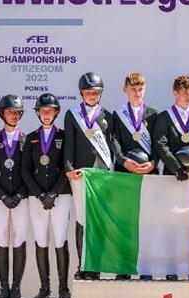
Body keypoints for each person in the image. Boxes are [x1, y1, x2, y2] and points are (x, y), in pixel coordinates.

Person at [153, 75, 189, 281]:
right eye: (185, 93)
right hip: (173, 178)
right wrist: (176, 167)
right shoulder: (164, 117)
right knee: (173, 225)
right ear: (175, 93)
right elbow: (161, 144)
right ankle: (171, 268)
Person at [22, 93, 72, 298]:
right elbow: (25, 169)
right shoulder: (31, 138)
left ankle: (63, 288)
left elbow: (66, 166)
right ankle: (45, 288)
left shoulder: (63, 136)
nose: (46, 114)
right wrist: (40, 194)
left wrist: (54, 192)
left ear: (56, 112)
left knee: (60, 240)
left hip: (60, 195)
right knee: (41, 240)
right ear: (38, 113)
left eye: (50, 111)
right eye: (42, 111)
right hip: (37, 197)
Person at [109, 73, 159, 280]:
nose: (137, 93)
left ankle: (146, 267)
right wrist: (124, 162)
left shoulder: (153, 114)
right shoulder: (117, 114)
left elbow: (158, 144)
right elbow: (114, 142)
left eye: (140, 89)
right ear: (125, 90)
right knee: (125, 221)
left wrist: (153, 163)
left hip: (148, 173)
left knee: (147, 221)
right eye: (133, 89)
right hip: (124, 174)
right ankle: (124, 266)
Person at [64, 72, 113, 280]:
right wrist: (68, 167)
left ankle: (97, 265)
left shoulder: (107, 116)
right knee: (82, 219)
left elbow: (111, 145)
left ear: (100, 94)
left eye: (95, 92)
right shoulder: (72, 114)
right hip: (81, 173)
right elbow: (69, 144)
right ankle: (83, 264)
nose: (92, 96)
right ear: (81, 94)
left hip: (102, 174)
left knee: (99, 221)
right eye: (88, 92)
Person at [0, 95, 29, 298]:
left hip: (21, 198)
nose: (14, 115)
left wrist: (19, 194)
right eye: (10, 112)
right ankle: (4, 287)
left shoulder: (27, 139)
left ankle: (17, 287)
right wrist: (2, 196)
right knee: (2, 240)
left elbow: (29, 170)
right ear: (2, 114)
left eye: (18, 112)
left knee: (19, 240)